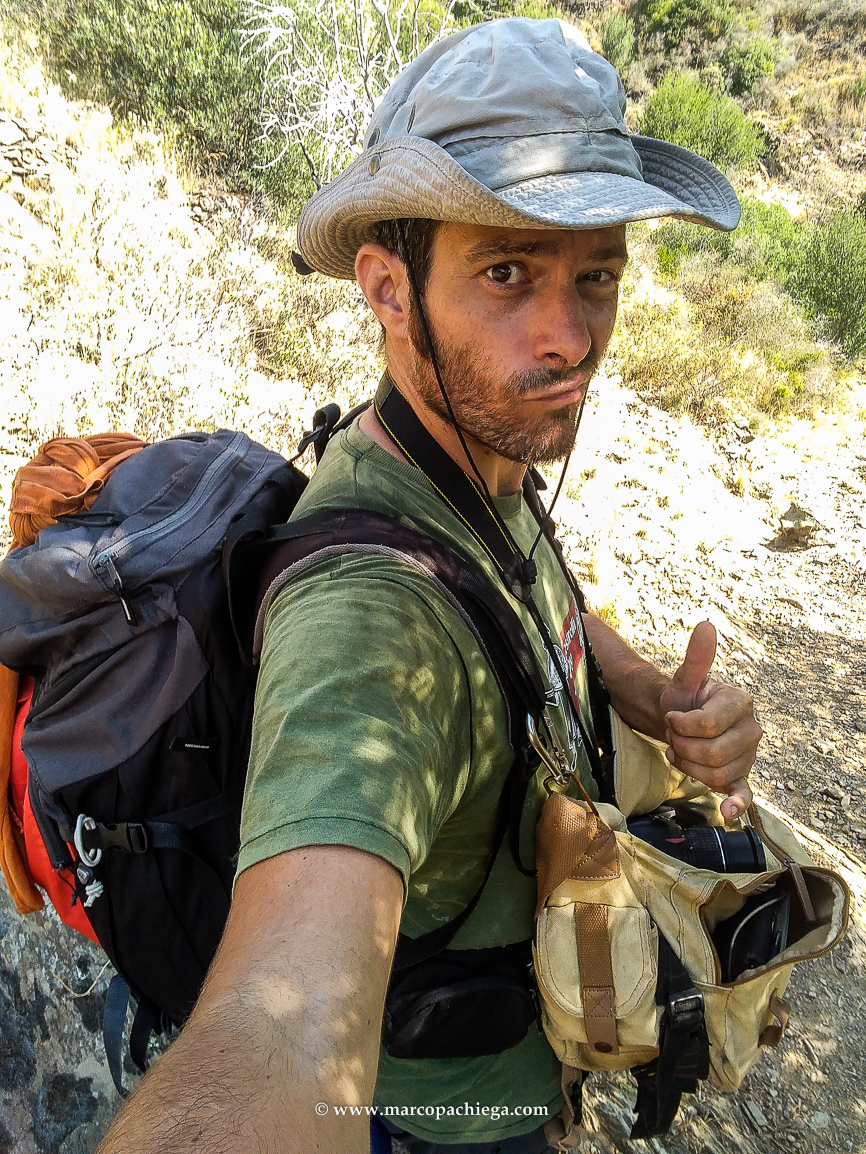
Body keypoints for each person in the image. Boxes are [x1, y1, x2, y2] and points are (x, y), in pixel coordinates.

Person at [97, 17, 761, 1154]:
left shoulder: (465, 452)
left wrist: (645, 690)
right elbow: (280, 1029)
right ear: (388, 288)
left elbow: (512, 588)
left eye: (595, 275)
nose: (569, 338)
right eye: (506, 272)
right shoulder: (365, 617)